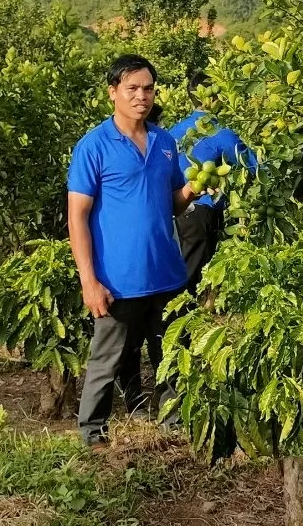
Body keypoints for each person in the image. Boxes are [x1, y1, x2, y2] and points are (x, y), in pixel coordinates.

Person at [67, 54, 198, 449]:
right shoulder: (93, 146)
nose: (142, 96)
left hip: (167, 272)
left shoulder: (165, 142)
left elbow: (173, 201)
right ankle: (93, 435)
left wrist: (195, 188)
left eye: (148, 88)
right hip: (117, 278)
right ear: (113, 93)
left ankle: (173, 425)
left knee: (172, 355)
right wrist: (89, 281)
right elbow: (77, 217)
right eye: (132, 88)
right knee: (106, 359)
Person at [168, 70, 259, 293]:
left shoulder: (171, 132)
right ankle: (172, 325)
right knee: (193, 276)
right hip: (201, 210)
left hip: (171, 210)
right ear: (213, 96)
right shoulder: (219, 133)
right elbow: (253, 166)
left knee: (180, 269)